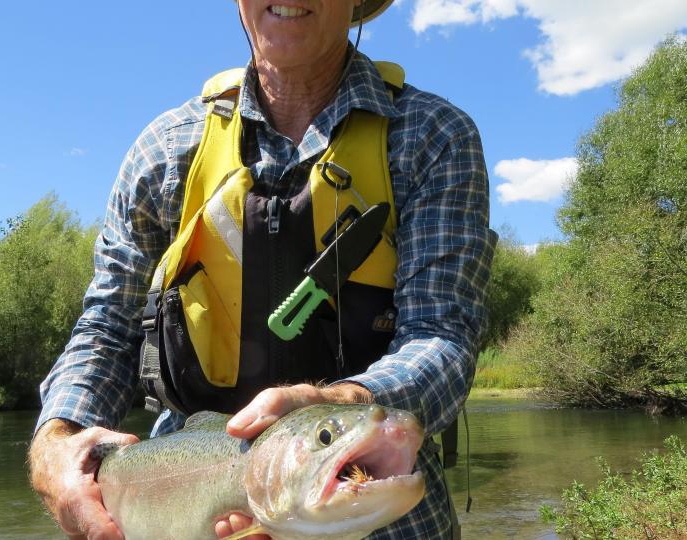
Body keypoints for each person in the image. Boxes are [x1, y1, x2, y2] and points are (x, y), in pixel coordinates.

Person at [29, 1, 497, 538]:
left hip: (381, 508)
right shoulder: (164, 149)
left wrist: (334, 405)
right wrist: (56, 448)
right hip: (183, 502)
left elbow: (443, 336)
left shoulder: (434, 137)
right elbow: (108, 328)